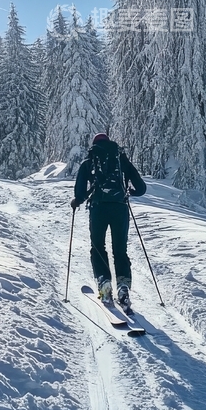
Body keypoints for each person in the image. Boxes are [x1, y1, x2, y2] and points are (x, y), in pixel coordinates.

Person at [70, 132, 146, 309]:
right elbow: (141, 188)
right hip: (120, 208)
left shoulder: (89, 161)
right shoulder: (121, 160)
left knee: (98, 247)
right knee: (120, 250)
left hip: (98, 209)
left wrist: (77, 201)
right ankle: (123, 287)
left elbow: (80, 192)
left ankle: (104, 285)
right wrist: (131, 193)